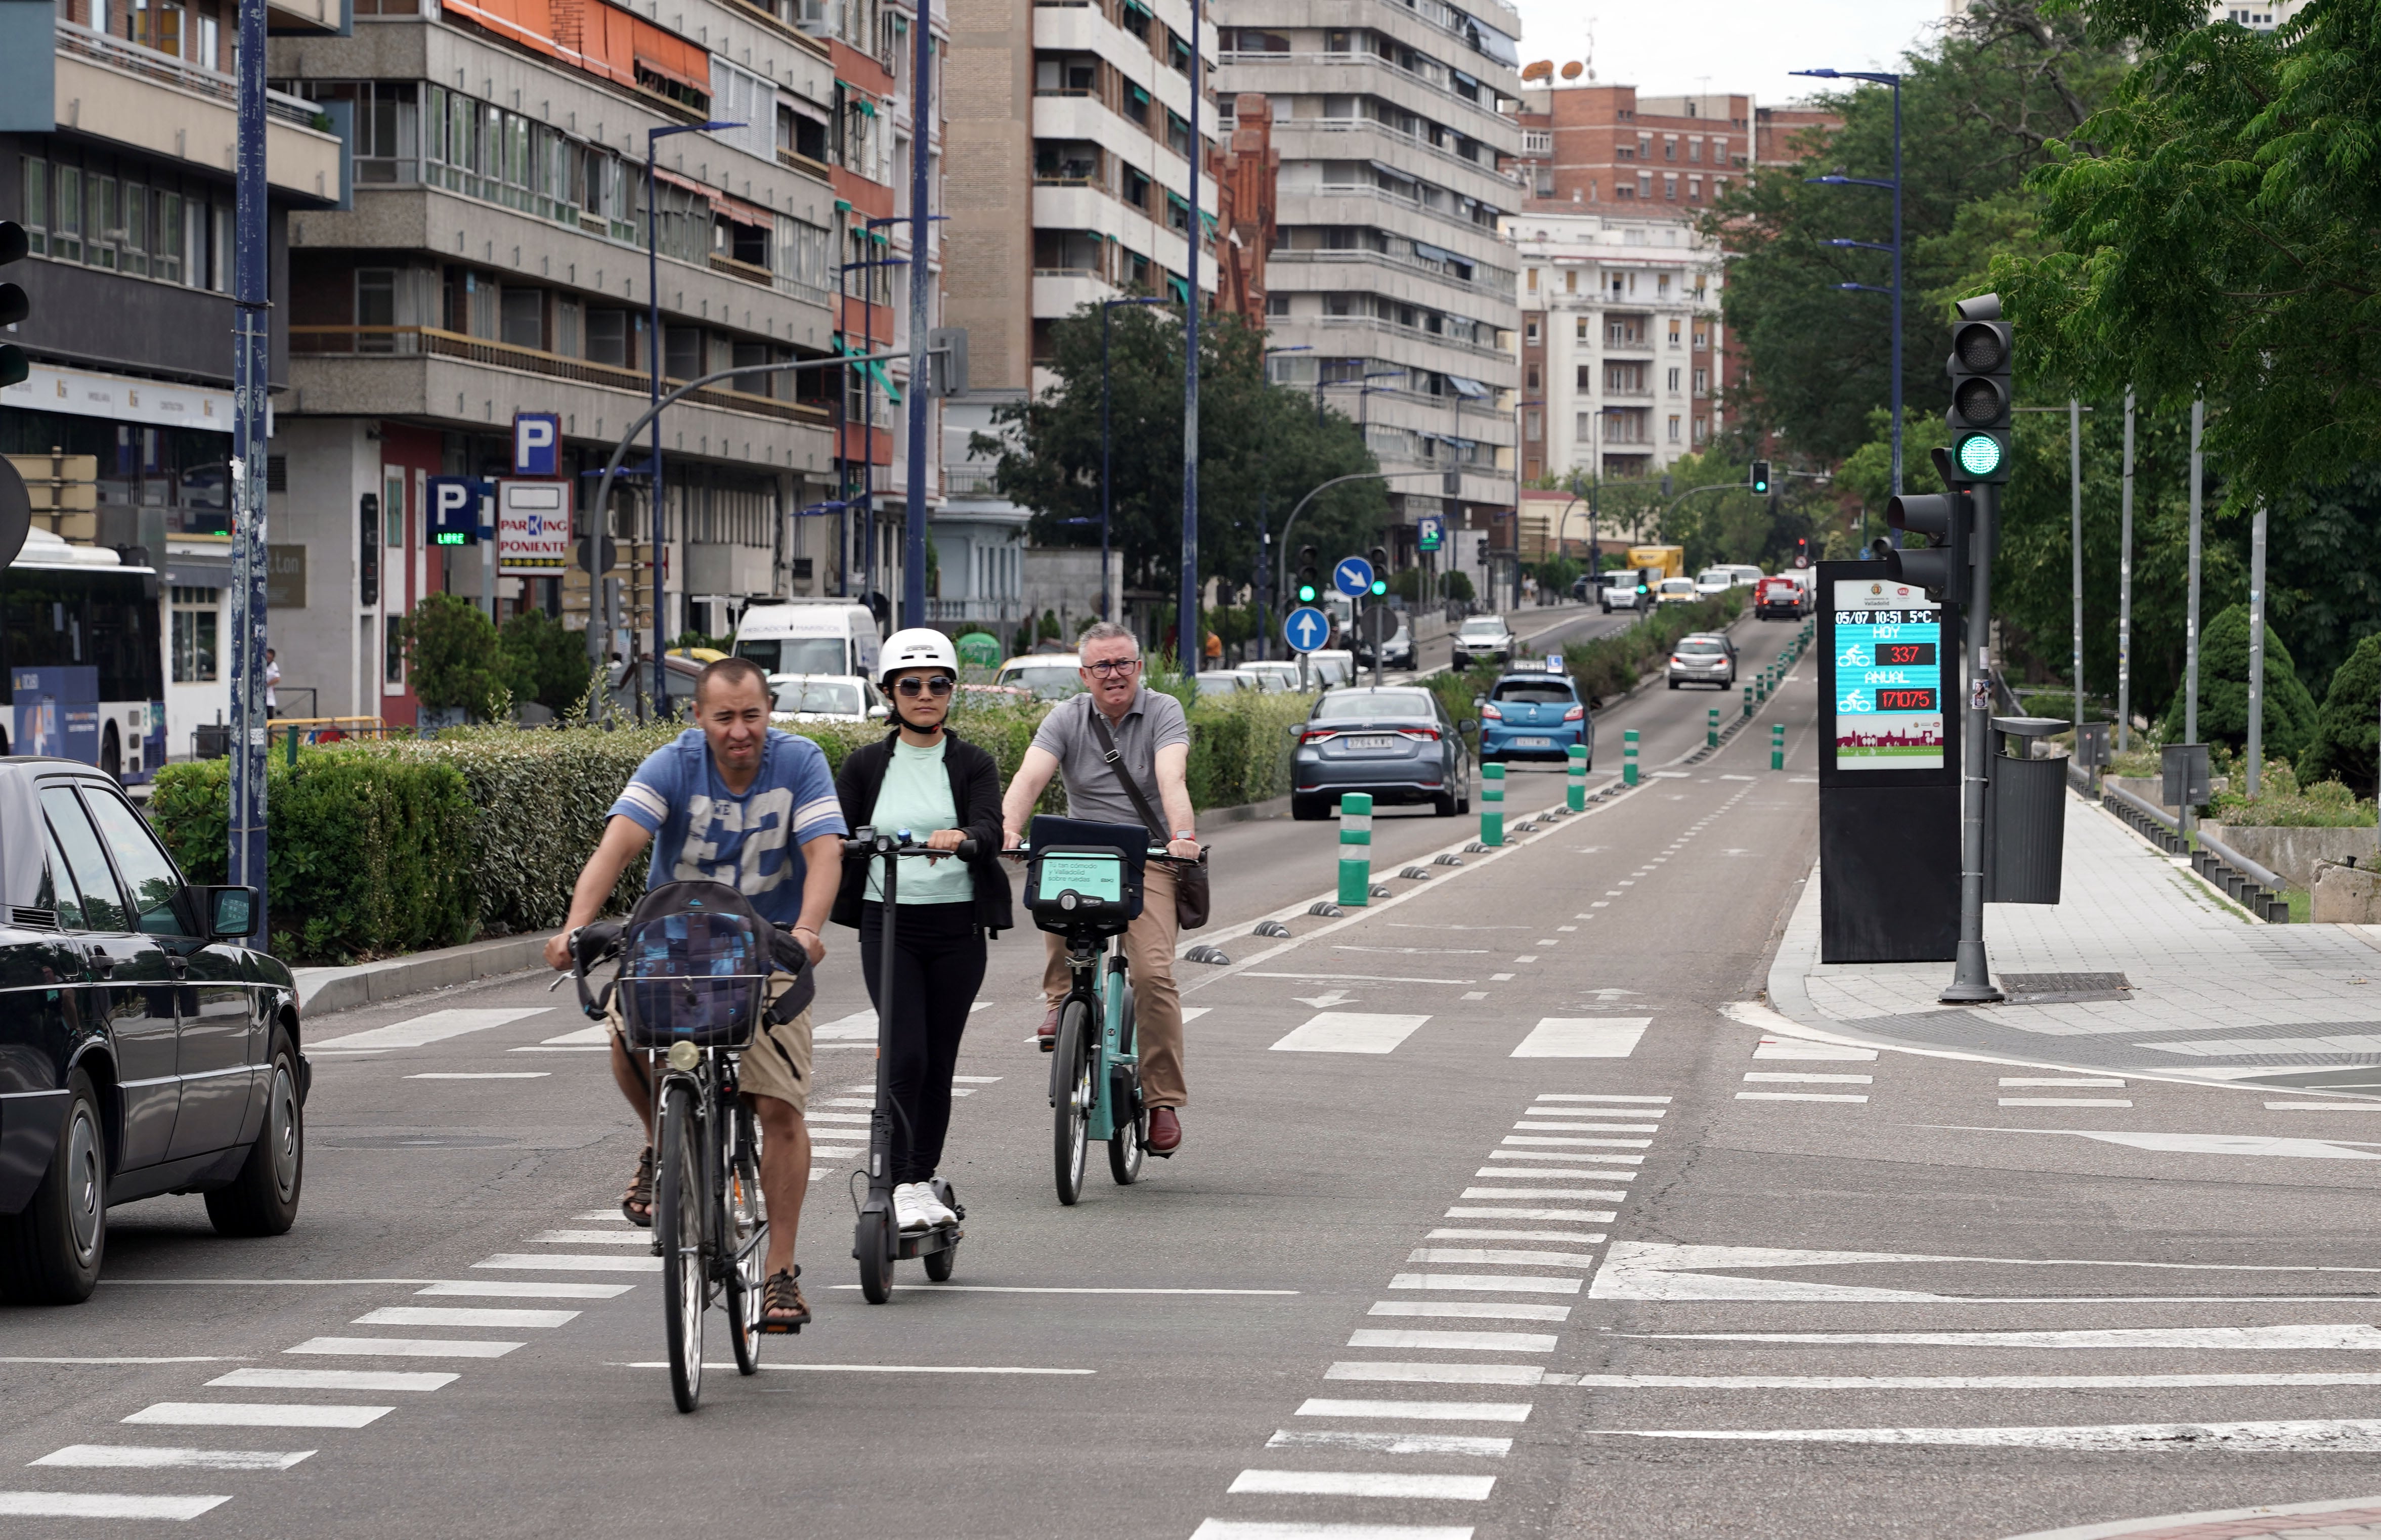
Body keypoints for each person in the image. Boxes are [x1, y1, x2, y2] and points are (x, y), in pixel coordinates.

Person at [543, 655, 844, 1332]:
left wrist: (806, 931)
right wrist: (573, 928)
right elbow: (616, 847)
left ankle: (780, 1273)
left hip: (768, 947)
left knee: (778, 1106)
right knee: (622, 1024)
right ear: (698, 718)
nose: (739, 731)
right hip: (675, 944)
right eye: (724, 717)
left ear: (769, 711)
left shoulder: (800, 763)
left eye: (751, 715)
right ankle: (660, 1141)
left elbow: (825, 851)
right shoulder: (672, 764)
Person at [830, 630, 1011, 1235]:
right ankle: (897, 1180)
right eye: (911, 685)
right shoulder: (863, 765)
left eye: (939, 684)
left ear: (952, 692)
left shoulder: (972, 763)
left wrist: (964, 839)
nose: (926, 695)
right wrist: (851, 844)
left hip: (957, 928)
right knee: (903, 1053)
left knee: (938, 1063)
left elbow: (990, 825)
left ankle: (920, 1178)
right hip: (891, 927)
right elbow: (834, 832)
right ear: (889, 693)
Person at [999, 621, 1200, 1156]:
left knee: (1154, 974)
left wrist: (1182, 838)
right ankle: (1061, 999)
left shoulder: (1163, 712)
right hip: (1084, 853)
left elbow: (1171, 778)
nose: (1114, 676)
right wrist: (1009, 830)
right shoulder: (1065, 717)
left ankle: (1161, 1102)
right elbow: (1029, 778)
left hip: (1147, 855)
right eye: (1102, 667)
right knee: (1052, 877)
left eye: (1124, 664)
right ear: (1085, 675)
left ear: (1140, 668)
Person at [264, 648, 281, 720]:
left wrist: (267, 685)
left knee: (269, 714)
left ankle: (269, 731)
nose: (268, 660)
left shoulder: (273, 666)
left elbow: (277, 678)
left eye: (269, 658)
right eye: (267, 657)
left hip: (269, 693)